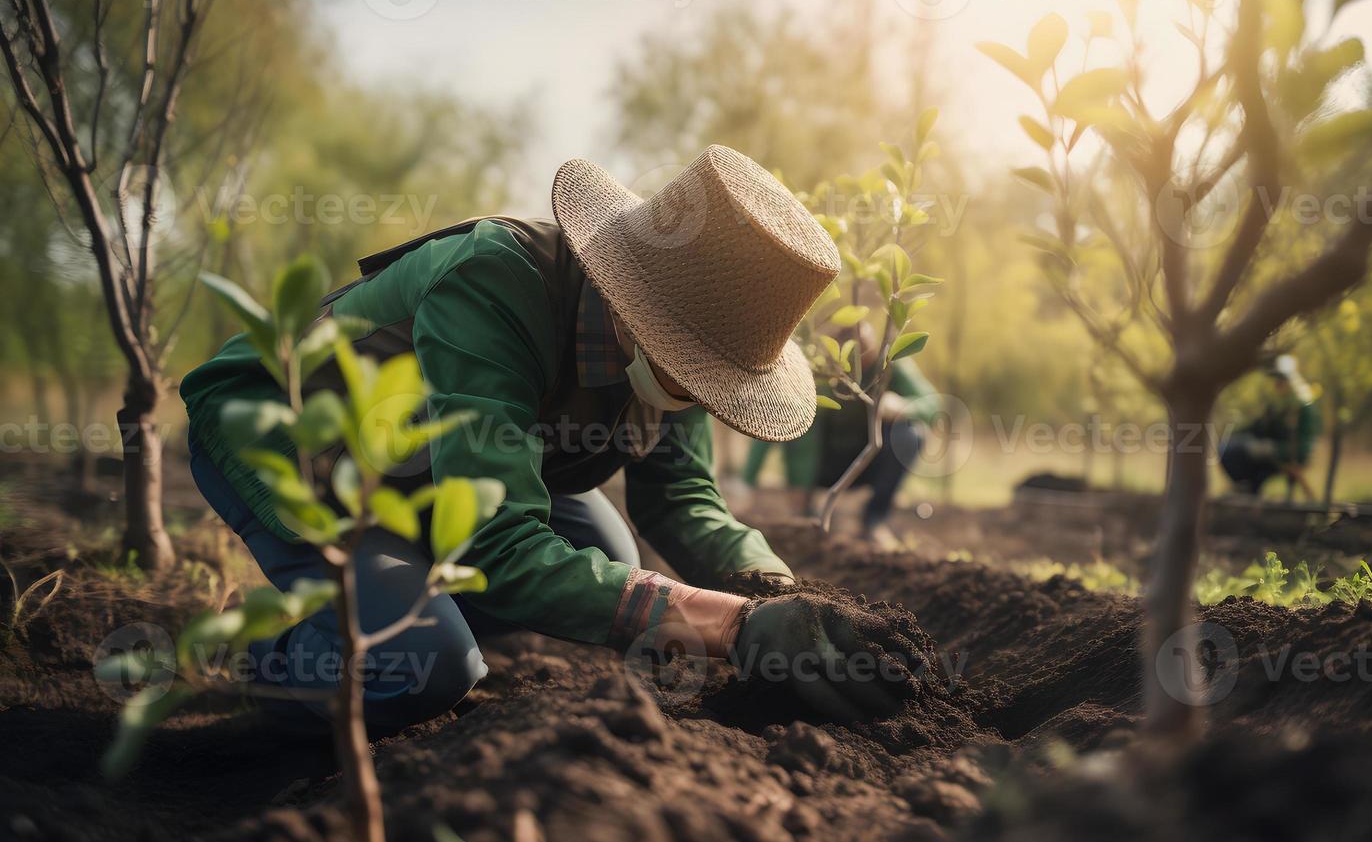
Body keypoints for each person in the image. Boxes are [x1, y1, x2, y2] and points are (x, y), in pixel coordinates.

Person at [180, 146, 914, 733]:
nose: (701, 393)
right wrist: (734, 625)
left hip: (434, 468)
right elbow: (499, 542)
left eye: (717, 379)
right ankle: (259, 654)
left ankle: (389, 608)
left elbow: (682, 499)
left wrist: (785, 597)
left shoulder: (687, 343)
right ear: (640, 309)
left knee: (609, 555)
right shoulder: (494, 284)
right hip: (289, 438)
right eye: (697, 370)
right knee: (427, 667)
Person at [739, 322, 942, 546]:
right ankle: (805, 515)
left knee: (910, 434)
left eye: (865, 351)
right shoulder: (821, 374)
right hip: (822, 465)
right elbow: (774, 421)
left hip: (865, 462)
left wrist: (904, 407)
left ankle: (874, 520)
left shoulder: (890, 365)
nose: (860, 362)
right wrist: (746, 482)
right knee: (797, 420)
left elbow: (933, 405)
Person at [1218, 354, 1323, 496]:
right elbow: (1259, 427)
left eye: (1281, 380)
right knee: (1229, 449)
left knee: (1234, 454)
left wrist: (1273, 449)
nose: (1277, 384)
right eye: (1277, 380)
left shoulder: (1303, 407)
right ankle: (1247, 491)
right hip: (1269, 454)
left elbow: (1304, 448)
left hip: (1285, 456)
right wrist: (1236, 432)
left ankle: (1249, 492)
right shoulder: (1278, 404)